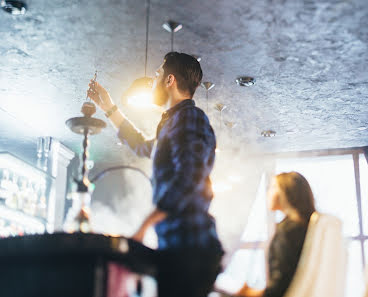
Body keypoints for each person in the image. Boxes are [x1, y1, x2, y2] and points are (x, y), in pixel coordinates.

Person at [87, 52, 223, 297]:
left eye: (158, 74)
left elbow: (189, 179)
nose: (154, 80)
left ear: (170, 80)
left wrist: (146, 224)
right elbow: (142, 145)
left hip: (190, 249)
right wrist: (108, 106)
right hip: (180, 247)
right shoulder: (174, 122)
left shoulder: (190, 118)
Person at [236, 172, 316, 297]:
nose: (268, 192)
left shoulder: (288, 231)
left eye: (273, 187)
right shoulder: (308, 228)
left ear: (286, 192)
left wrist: (251, 293)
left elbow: (281, 286)